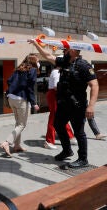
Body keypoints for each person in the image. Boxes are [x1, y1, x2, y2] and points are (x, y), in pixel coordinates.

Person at [28, 39, 99, 168]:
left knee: (79, 132)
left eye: (66, 49)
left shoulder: (83, 65)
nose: (64, 50)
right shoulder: (65, 61)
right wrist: (36, 44)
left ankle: (83, 159)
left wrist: (91, 106)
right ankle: (67, 150)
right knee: (58, 125)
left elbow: (94, 85)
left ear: (73, 50)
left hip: (77, 105)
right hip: (64, 104)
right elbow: (48, 56)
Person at [0, 54, 40, 157]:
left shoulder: (19, 69)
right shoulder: (32, 70)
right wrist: (34, 103)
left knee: (18, 123)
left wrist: (14, 89)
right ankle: (7, 143)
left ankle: (17, 145)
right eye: (37, 59)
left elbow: (9, 81)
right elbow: (30, 88)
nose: (39, 60)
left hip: (11, 98)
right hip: (20, 99)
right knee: (22, 124)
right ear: (34, 61)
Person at [45, 66, 77, 150]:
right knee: (54, 117)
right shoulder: (56, 72)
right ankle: (49, 141)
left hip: (57, 94)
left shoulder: (60, 72)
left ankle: (70, 136)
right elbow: (56, 86)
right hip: (55, 94)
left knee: (62, 116)